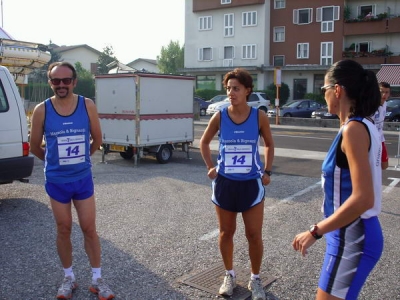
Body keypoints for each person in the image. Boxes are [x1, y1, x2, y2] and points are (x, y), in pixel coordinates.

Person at [292, 59, 383, 300]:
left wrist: (314, 231)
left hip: (353, 236)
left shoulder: (353, 130)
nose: (323, 96)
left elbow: (363, 198)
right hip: (349, 234)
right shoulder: (364, 125)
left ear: (338, 90)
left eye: (324, 89)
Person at [30, 62, 115, 300]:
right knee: (63, 228)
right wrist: (53, 161)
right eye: (56, 81)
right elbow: (35, 145)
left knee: (89, 228)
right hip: (57, 181)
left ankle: (97, 280)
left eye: (66, 80)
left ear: (74, 82)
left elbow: (97, 139)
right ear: (50, 83)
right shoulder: (42, 110)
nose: (61, 85)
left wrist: (83, 158)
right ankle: (69, 277)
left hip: (82, 179)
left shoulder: (87, 105)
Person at [199, 68, 274, 300]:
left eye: (236, 89)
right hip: (225, 185)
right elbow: (204, 142)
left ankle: (255, 279)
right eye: (229, 88)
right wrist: (210, 167)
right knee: (226, 232)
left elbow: (270, 144)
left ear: (247, 91)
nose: (231, 93)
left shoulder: (258, 116)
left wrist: (267, 170)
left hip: (251, 184)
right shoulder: (220, 115)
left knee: (254, 234)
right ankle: (229, 275)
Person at [374, 82, 391, 170]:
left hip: (380, 138)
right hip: (372, 139)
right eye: (381, 92)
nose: (384, 95)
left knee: (384, 165)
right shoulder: (371, 105)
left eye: (386, 92)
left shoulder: (385, 104)